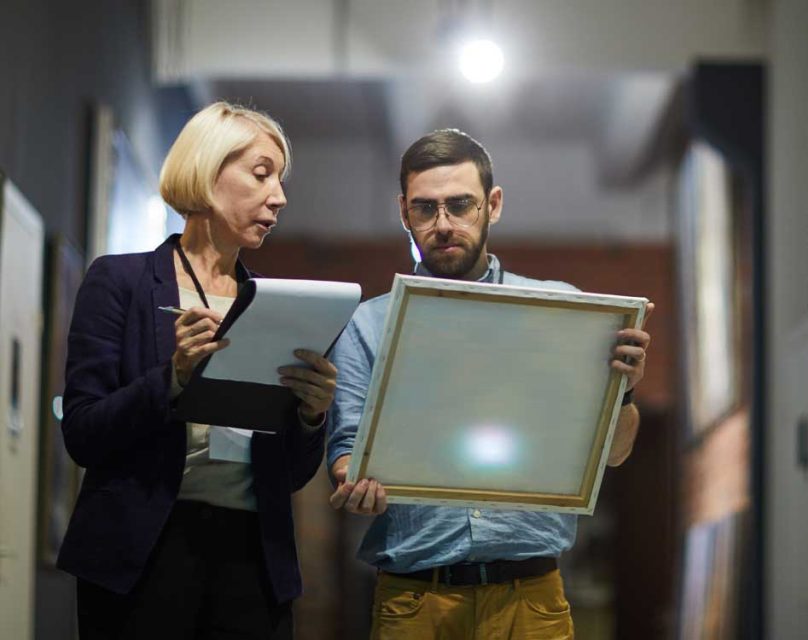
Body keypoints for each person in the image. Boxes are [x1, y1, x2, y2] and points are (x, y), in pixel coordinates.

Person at [326, 128, 653, 639]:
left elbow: (612, 454)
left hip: (531, 596)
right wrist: (354, 482)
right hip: (414, 599)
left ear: (493, 204)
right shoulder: (367, 326)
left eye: (461, 205)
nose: (443, 224)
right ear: (403, 212)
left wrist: (624, 391)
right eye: (424, 209)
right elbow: (345, 456)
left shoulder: (560, 311)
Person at [58, 102, 337, 639]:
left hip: (254, 560)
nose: (278, 196)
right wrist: (174, 377)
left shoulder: (277, 306)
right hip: (141, 555)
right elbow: (83, 434)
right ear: (208, 173)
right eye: (261, 174)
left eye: (280, 180)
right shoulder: (120, 282)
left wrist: (311, 416)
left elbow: (292, 477)